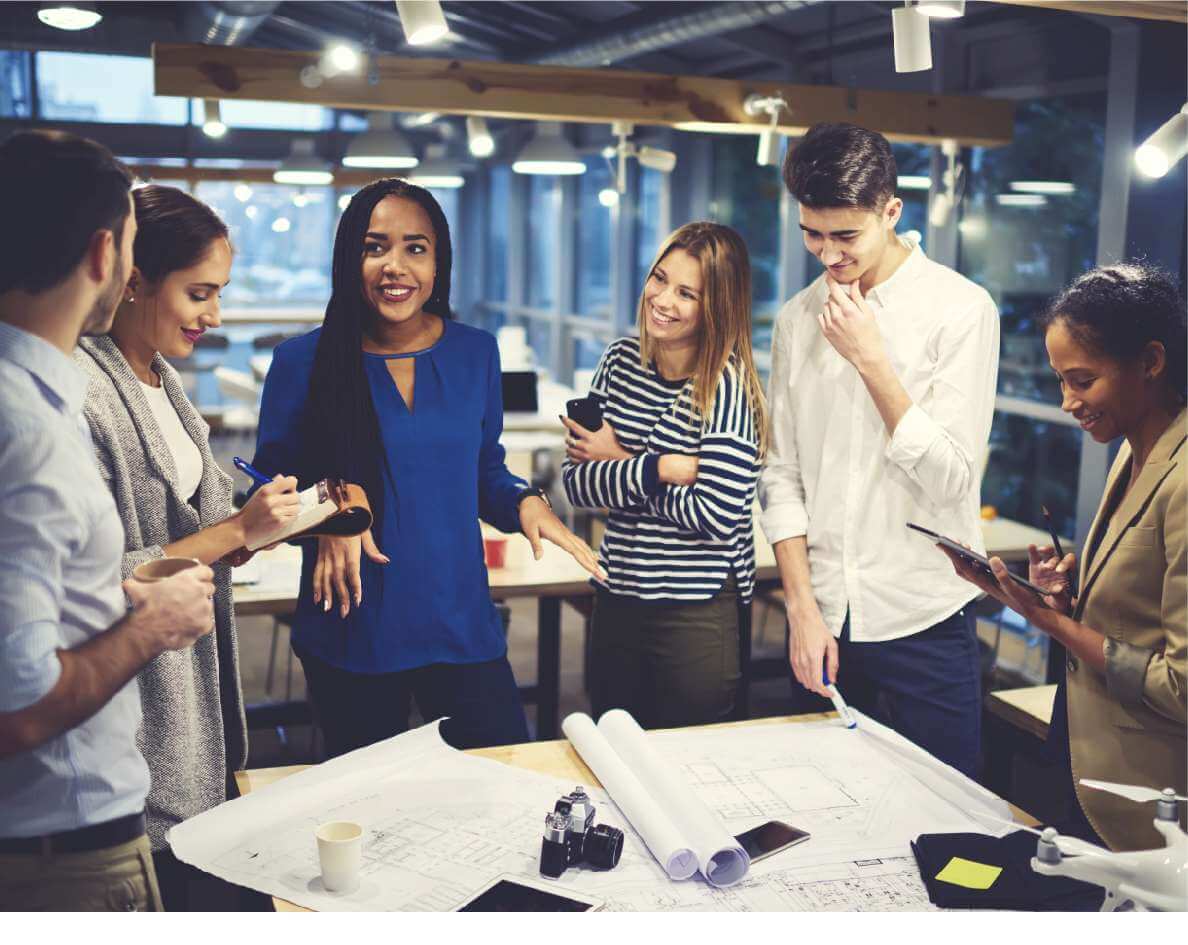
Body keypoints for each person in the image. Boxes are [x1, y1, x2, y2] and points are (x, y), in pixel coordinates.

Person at [252, 178, 603, 757]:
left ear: (439, 263)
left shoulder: (474, 353)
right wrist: (333, 507)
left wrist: (523, 499)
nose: (396, 266)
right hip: (353, 630)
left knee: (502, 782)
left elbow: (484, 470)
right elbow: (268, 491)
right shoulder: (303, 362)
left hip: (459, 621)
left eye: (416, 248)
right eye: (375, 247)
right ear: (349, 258)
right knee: (372, 816)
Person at [0, 131, 215, 911]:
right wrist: (151, 627)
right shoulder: (25, 428)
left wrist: (114, 594)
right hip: (61, 851)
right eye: (130, 246)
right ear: (104, 255)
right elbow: (15, 707)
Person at [74, 184, 300, 909]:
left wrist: (246, 527)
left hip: (197, 718)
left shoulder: (163, 380)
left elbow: (184, 537)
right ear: (134, 278)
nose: (216, 315)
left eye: (222, 293)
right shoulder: (82, 391)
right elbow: (93, 575)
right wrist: (232, 531)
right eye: (200, 293)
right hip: (135, 727)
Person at [758, 122, 1000, 777]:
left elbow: (951, 480)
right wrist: (801, 609)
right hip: (824, 618)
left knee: (954, 835)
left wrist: (873, 362)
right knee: (820, 812)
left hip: (923, 615)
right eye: (812, 232)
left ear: (892, 211)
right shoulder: (795, 319)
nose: (828, 254)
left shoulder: (961, 310)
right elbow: (780, 477)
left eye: (846, 236)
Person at [941, 263, 1186, 851]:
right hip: (1084, 751)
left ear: (1150, 363)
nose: (1068, 401)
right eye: (1060, 381)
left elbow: (1181, 683)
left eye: (1082, 380)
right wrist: (1065, 599)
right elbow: (1135, 615)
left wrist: (1054, 623)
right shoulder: (1133, 454)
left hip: (1143, 794)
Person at [562, 222, 767, 728]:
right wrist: (665, 467)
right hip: (617, 595)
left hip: (693, 611)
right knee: (612, 747)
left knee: (689, 761)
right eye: (659, 279)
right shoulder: (619, 362)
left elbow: (717, 516)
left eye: (686, 293)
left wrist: (620, 462)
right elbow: (576, 485)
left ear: (715, 306)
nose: (663, 300)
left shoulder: (725, 386)